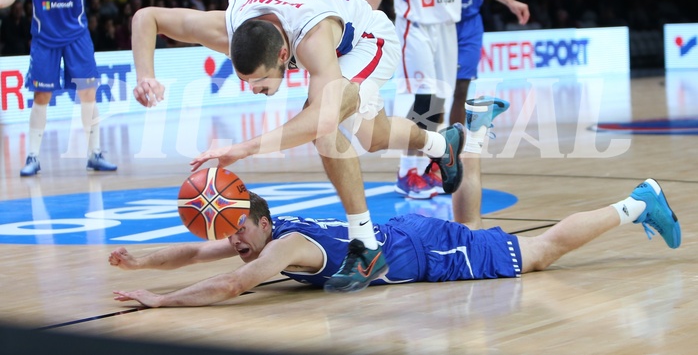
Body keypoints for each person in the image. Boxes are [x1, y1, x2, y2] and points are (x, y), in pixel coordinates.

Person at [130, 0, 467, 293]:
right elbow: (148, 17)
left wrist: (244, 148)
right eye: (245, 80)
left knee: (325, 125)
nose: (255, 89)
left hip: (367, 39)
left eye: (260, 80)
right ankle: (442, 144)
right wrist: (145, 75)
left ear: (282, 55)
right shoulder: (229, 26)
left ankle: (365, 247)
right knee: (374, 137)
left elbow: (321, 121)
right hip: (323, 27)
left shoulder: (312, 38)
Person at [320, 0, 596, 223]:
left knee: (454, 93)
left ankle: (442, 154)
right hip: (427, 24)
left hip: (462, 26)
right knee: (427, 97)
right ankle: (419, 165)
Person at [110, 179, 681, 307]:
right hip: (405, 235)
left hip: (421, 250)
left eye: (239, 230)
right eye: (232, 233)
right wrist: (142, 258)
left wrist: (162, 300)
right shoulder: (262, 237)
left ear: (264, 221)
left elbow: (231, 283)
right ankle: (474, 132)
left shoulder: (278, 249)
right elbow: (199, 252)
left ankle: (637, 203)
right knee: (491, 239)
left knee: (538, 254)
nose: (233, 242)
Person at [361, 0, 530, 201]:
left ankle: (424, 165)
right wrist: (366, 19)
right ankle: (406, 172)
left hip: (447, 27)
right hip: (415, 26)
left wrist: (508, 0)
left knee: (440, 98)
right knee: (425, 99)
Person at [0, 0, 119, 176]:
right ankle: (33, 157)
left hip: (76, 36)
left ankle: (95, 153)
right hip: (45, 39)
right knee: (41, 96)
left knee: (88, 92)